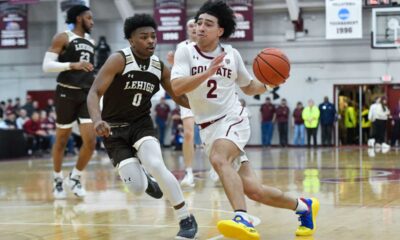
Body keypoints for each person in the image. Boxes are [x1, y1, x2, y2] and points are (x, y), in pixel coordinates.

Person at [170, 1, 319, 239]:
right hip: (208, 128)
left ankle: (242, 217)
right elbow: (176, 87)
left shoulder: (232, 55)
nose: (200, 28)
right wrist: (207, 72)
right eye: (198, 23)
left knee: (220, 159)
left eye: (208, 24)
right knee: (254, 190)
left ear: (220, 31)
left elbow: (249, 87)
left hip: (233, 118)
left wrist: (272, 82)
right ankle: (303, 206)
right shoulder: (185, 51)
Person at [86, 14, 198, 239]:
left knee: (156, 163)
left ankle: (186, 218)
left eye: (153, 37)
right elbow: (94, 92)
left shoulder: (159, 67)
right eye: (144, 37)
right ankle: (146, 181)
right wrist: (97, 120)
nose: (151, 41)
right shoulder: (119, 60)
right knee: (136, 188)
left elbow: (178, 96)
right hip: (114, 130)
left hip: (141, 125)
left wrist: (202, 108)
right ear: (131, 40)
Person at [42, 5, 97, 199]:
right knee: (62, 140)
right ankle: (57, 178)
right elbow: (46, 66)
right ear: (80, 18)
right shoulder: (63, 37)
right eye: (89, 18)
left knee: (91, 141)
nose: (92, 21)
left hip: (85, 95)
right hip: (66, 93)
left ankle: (75, 177)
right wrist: (72, 65)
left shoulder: (91, 42)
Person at [167, 18, 198, 188]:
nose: (194, 28)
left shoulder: (207, 45)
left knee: (211, 136)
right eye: (190, 26)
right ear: (187, 30)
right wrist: (173, 65)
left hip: (207, 95)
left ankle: (216, 169)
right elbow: (177, 74)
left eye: (196, 25)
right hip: (188, 96)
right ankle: (189, 172)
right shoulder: (181, 47)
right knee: (188, 134)